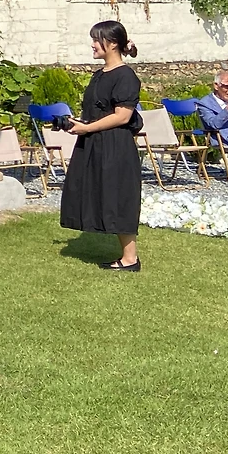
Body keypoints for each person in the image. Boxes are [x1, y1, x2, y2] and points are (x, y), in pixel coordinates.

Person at [61, 20, 143, 272]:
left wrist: (87, 128)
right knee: (100, 194)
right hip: (96, 142)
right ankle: (127, 256)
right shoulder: (99, 75)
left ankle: (130, 259)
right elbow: (99, 111)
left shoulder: (125, 76)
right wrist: (78, 123)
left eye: (97, 40)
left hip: (115, 146)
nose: (93, 44)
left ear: (113, 43)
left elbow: (122, 116)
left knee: (118, 198)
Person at [196, 70, 228, 137]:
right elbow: (213, 125)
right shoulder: (205, 104)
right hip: (223, 139)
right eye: (227, 86)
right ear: (216, 86)